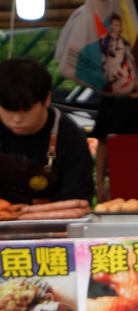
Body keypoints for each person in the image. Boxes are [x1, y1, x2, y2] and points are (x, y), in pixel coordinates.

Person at [0, 58, 94, 205]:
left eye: (26, 109)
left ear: (46, 99)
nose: (16, 119)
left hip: (52, 224)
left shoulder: (69, 137)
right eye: (8, 109)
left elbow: (77, 198)